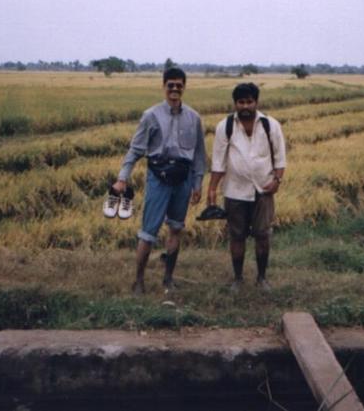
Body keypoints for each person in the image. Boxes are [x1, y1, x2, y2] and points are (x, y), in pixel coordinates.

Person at [112, 67, 205, 295]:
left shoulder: (194, 118)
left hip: (183, 180)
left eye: (178, 85)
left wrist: (198, 184)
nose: (174, 89)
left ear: (184, 87)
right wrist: (122, 179)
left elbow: (199, 155)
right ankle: (139, 282)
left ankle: (168, 279)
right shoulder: (151, 116)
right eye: (170, 85)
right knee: (148, 232)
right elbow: (135, 150)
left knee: (175, 228)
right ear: (163, 87)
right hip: (158, 179)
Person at [207, 83, 286, 292]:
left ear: (256, 102)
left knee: (262, 235)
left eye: (249, 102)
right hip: (234, 191)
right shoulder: (225, 127)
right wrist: (212, 189)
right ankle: (238, 278)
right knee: (237, 236)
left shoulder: (271, 126)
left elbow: (280, 160)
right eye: (241, 102)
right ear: (235, 104)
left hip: (264, 190)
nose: (245, 106)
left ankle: (262, 278)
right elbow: (218, 162)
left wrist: (277, 181)